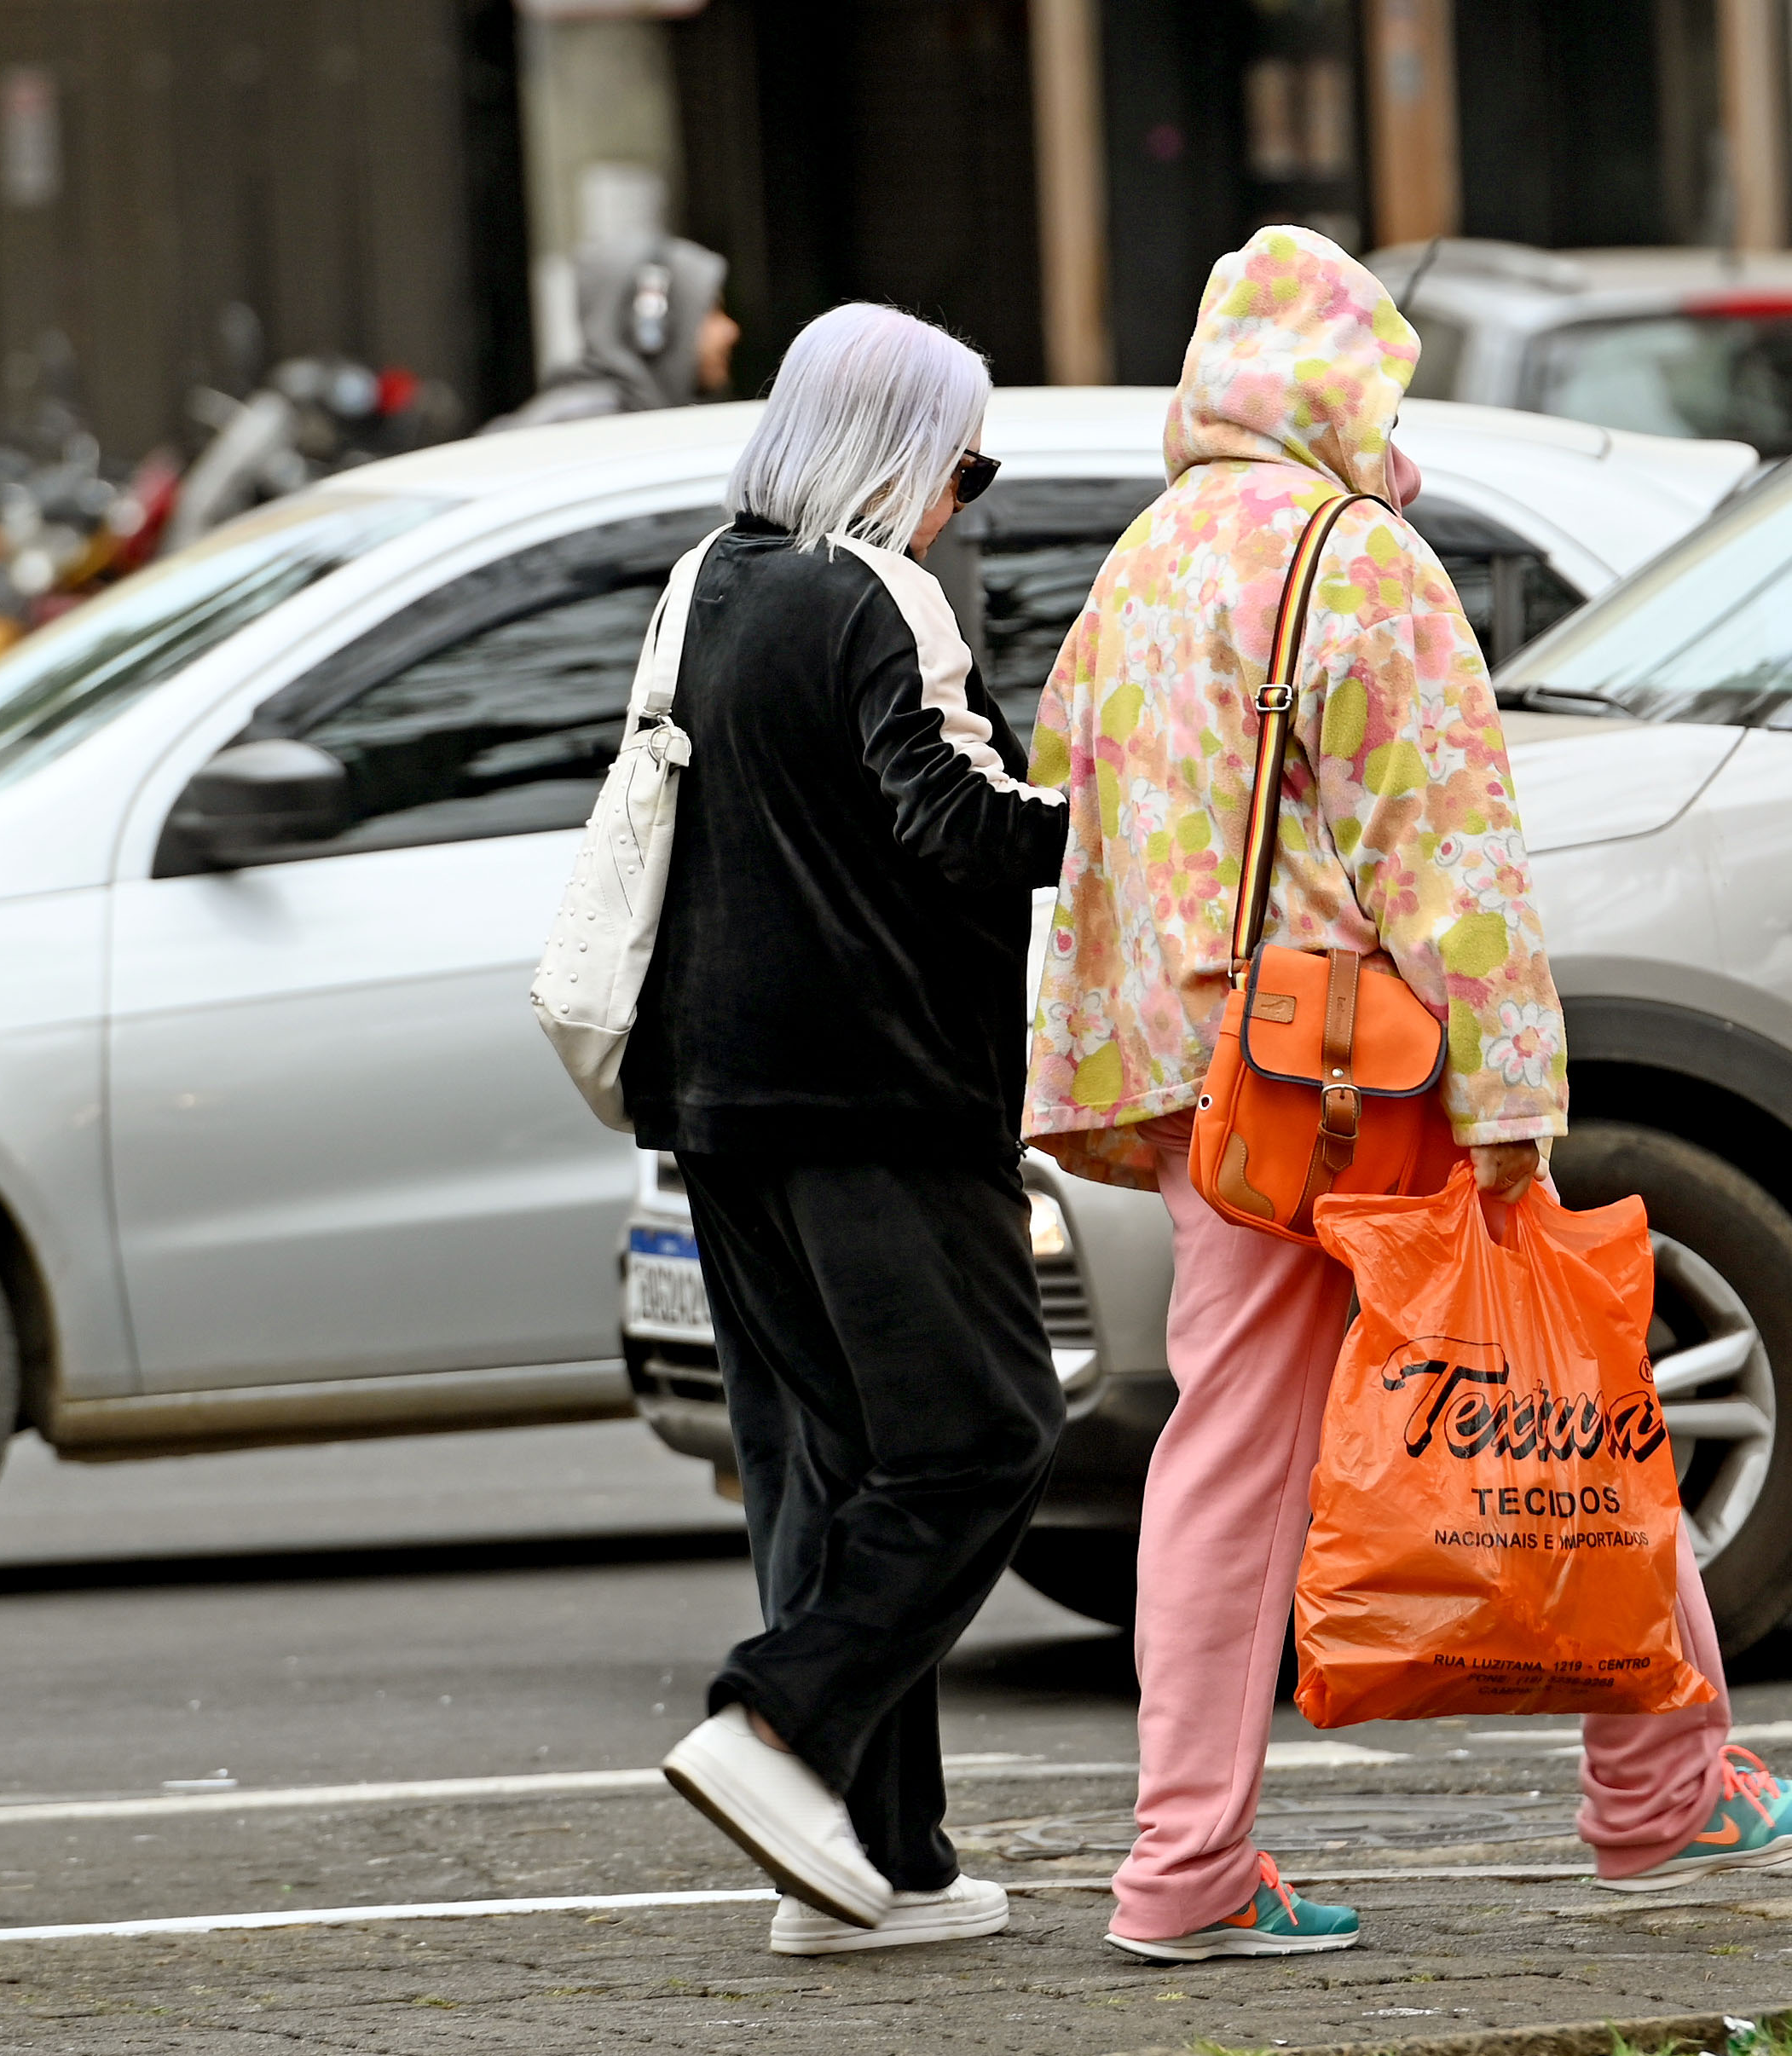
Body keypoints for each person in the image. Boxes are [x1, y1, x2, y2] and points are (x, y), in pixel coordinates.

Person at [1021, 226, 1792, 1965]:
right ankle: (1661, 1789)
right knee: (1564, 1385)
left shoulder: (1146, 562)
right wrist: (1507, 1096)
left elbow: (1077, 822)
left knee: (1221, 1463)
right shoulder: (1357, 559)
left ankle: (1184, 1866)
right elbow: (1452, 860)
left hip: (1216, 1093)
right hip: (1375, 1080)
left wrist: (1125, 1078)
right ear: (1347, 377)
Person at [630, 303, 1069, 1957]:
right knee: (982, 1437)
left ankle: (875, 1871)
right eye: (964, 460)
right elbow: (947, 819)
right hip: (880, 1096)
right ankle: (775, 1728)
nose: (965, 495)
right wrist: (1126, 824)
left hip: (722, 1101)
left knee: (826, 1466)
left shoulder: (707, 582)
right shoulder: (879, 593)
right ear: (899, 451)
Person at [485, 232, 742, 432]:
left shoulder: (628, 422)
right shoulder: (591, 430)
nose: (730, 330)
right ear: (651, 325)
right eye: (711, 312)